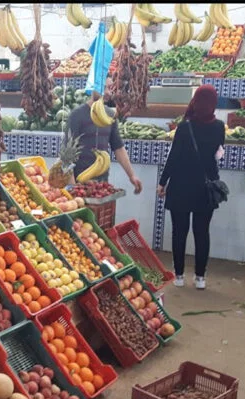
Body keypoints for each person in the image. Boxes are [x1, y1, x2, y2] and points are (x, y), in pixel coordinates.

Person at [157, 85, 225, 290]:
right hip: (206, 188)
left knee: (179, 232)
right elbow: (218, 154)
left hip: (181, 185)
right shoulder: (220, 126)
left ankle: (178, 276)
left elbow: (174, 157)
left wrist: (163, 182)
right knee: (202, 232)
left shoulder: (185, 127)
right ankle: (200, 278)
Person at [62, 90, 142, 193]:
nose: (108, 92)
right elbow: (66, 155)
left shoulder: (109, 115)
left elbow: (118, 148)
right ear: (93, 87)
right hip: (79, 183)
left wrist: (132, 176)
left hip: (102, 184)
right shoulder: (77, 115)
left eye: (109, 88)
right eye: (103, 87)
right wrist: (72, 187)